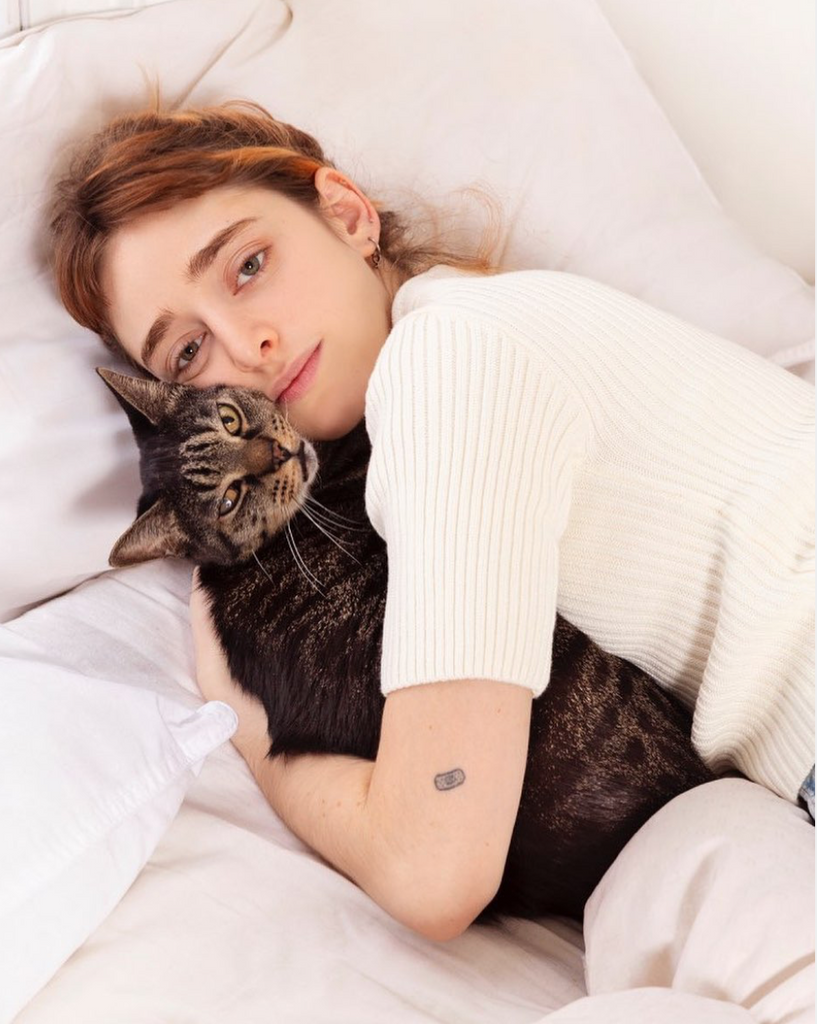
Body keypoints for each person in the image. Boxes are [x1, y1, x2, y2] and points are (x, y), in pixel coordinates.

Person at [49, 101, 814, 958]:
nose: (247, 343)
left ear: (346, 213)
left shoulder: (442, 362)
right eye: (187, 354)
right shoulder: (482, 328)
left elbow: (433, 869)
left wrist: (244, 723)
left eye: (249, 265)